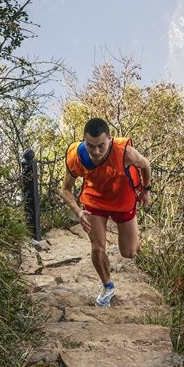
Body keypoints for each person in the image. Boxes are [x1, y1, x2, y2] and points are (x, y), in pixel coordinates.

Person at [58, 118, 152, 307]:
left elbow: (145, 165)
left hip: (123, 200)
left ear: (110, 138)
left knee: (129, 252)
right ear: (84, 140)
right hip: (95, 202)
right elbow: (65, 190)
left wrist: (145, 190)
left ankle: (132, 234)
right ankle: (107, 286)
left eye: (101, 145)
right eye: (90, 146)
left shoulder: (125, 152)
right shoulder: (77, 155)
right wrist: (78, 212)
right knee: (97, 248)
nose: (96, 152)